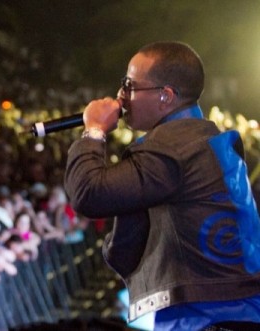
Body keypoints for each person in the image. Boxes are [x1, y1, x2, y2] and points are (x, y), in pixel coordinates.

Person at [64, 41, 260, 330]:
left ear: (166, 96)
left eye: (129, 85)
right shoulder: (207, 138)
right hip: (238, 309)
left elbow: (88, 194)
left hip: (208, 316)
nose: (121, 96)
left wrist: (93, 131)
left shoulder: (172, 147)